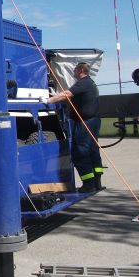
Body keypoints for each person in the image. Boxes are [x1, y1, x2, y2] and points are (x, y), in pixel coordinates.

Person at [41, 62, 103, 192]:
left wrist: (48, 100)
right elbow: (71, 98)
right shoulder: (90, 83)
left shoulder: (83, 83)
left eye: (75, 70)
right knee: (93, 151)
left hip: (85, 122)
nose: (73, 72)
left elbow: (67, 94)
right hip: (93, 121)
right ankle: (97, 182)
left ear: (81, 70)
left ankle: (88, 184)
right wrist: (55, 95)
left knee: (80, 152)